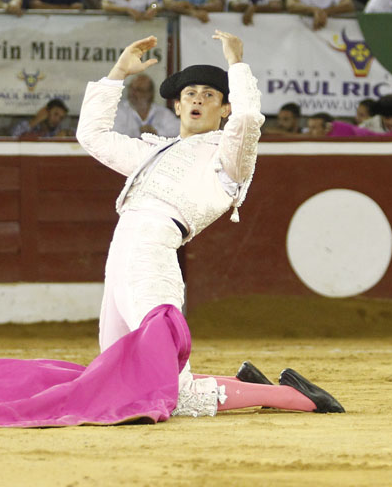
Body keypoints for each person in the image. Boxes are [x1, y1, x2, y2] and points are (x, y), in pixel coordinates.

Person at [76, 34, 342, 416]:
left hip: (152, 256)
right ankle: (248, 385)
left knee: (173, 394)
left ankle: (296, 398)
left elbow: (249, 119)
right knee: (119, 379)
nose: (198, 99)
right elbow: (91, 135)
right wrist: (118, 72)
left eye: (209, 95)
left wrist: (237, 63)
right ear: (177, 105)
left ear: (224, 108)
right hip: (120, 261)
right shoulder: (152, 151)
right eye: (190, 93)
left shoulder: (227, 159)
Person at [113, 73, 178, 138]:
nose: (133, 93)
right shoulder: (119, 110)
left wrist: (156, 132)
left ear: (149, 94)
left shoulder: (162, 112)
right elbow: (114, 135)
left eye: (139, 90)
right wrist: (138, 131)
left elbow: (178, 131)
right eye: (131, 88)